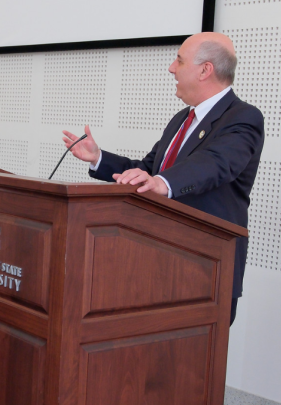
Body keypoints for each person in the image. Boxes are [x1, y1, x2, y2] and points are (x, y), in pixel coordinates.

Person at [61, 32, 264, 326]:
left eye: (179, 60)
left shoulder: (243, 117)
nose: (171, 68)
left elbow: (216, 163)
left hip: (203, 269)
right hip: (156, 260)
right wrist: (98, 158)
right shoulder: (182, 119)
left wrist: (163, 183)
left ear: (205, 70)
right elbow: (148, 170)